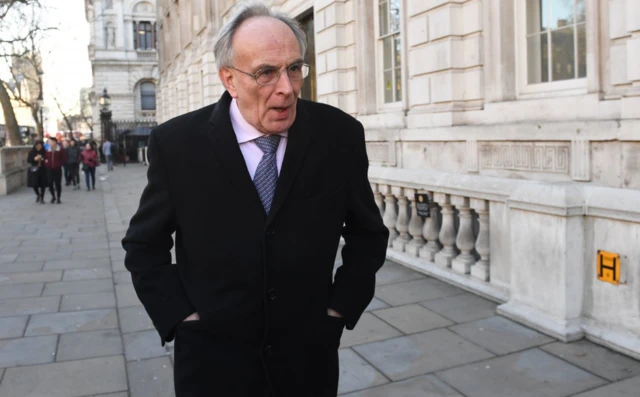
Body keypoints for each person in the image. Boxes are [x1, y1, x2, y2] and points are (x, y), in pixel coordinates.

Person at [121, 4, 388, 397]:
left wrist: (339, 310)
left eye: (295, 68)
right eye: (266, 73)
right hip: (212, 368)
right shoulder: (177, 145)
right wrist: (180, 318)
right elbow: (144, 246)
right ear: (229, 79)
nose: (287, 88)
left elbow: (368, 235)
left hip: (307, 364)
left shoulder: (339, 135)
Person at [43, 137, 67, 204]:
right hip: (49, 169)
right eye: (48, 142)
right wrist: (46, 163)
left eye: (50, 141)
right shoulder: (48, 150)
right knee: (50, 183)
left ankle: (58, 197)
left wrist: (59, 164)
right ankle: (53, 196)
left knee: (57, 184)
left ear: (54, 142)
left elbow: (64, 158)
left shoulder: (60, 149)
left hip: (57, 169)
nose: (49, 143)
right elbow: (45, 158)